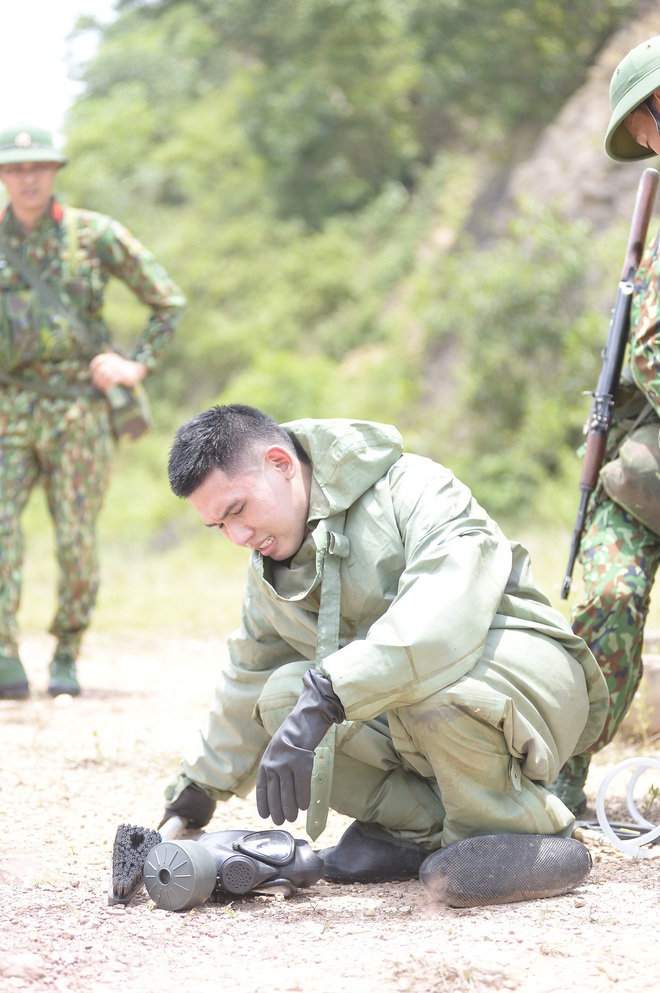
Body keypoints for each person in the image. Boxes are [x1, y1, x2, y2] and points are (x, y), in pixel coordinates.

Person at [160, 403, 608, 883]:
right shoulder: (269, 572)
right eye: (219, 526)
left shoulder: (415, 487)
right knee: (281, 698)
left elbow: (443, 618)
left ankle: (523, 832)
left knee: (424, 687)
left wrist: (329, 695)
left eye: (238, 511)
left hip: (521, 682)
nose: (238, 536)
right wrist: (200, 787)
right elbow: (248, 674)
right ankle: (423, 836)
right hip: (414, 710)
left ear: (280, 463)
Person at [0, 123, 186, 700]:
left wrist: (135, 365)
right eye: (16, 168)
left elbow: (167, 301)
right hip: (8, 408)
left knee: (76, 539)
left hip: (79, 410)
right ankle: (5, 652)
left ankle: (66, 651)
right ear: (4, 176)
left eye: (39, 167)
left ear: (54, 172)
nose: (28, 178)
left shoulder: (94, 234)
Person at [549, 35, 660, 816]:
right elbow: (649, 351)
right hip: (645, 465)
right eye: (649, 124)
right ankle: (558, 776)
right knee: (605, 597)